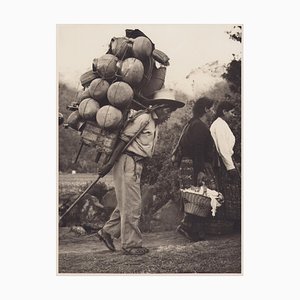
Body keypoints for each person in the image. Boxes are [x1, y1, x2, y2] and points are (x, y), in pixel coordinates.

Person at [97, 89, 185, 255]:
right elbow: (123, 142)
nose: (169, 115)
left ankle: (107, 232)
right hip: (128, 162)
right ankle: (131, 244)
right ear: (159, 107)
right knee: (132, 205)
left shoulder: (153, 123)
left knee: (127, 202)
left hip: (136, 164)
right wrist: (108, 164)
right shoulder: (143, 119)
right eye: (168, 110)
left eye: (171, 112)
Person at [176, 97, 216, 241]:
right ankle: (188, 227)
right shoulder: (199, 126)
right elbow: (198, 150)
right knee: (199, 195)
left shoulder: (191, 124)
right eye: (211, 108)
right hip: (194, 164)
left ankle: (192, 228)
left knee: (194, 195)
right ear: (205, 109)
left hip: (188, 163)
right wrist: (200, 171)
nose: (212, 111)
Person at [210, 100, 241, 226]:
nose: (233, 115)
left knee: (231, 191)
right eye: (231, 112)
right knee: (230, 190)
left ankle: (232, 221)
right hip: (224, 162)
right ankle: (232, 222)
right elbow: (222, 149)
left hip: (226, 160)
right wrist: (230, 167)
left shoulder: (222, 124)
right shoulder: (219, 125)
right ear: (224, 112)